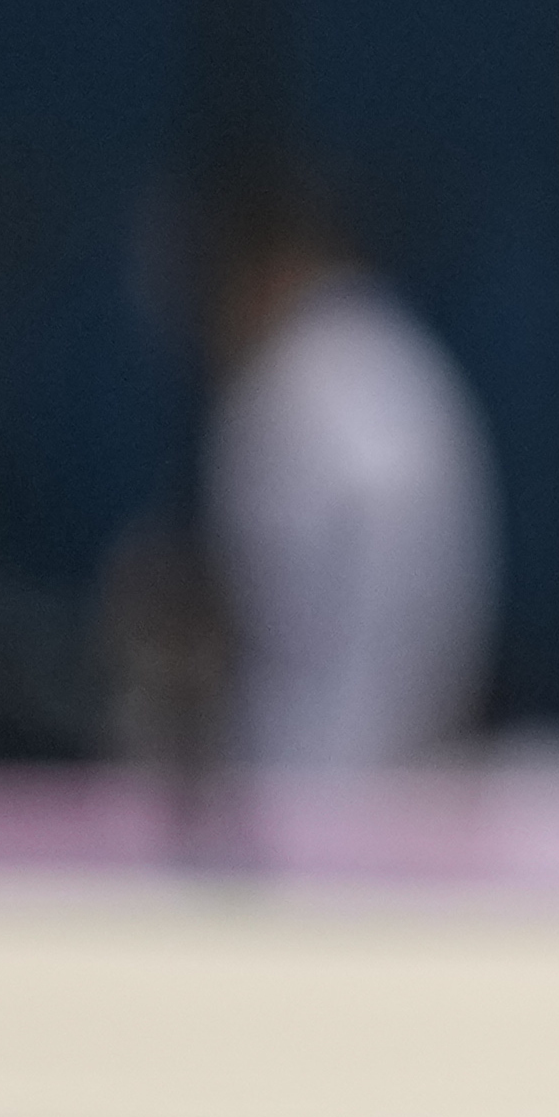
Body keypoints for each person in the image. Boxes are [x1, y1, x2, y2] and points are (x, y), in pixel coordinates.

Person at [198, 162, 492, 776]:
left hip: (311, 756)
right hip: (407, 748)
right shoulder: (400, 353)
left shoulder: (288, 377)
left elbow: (256, 599)